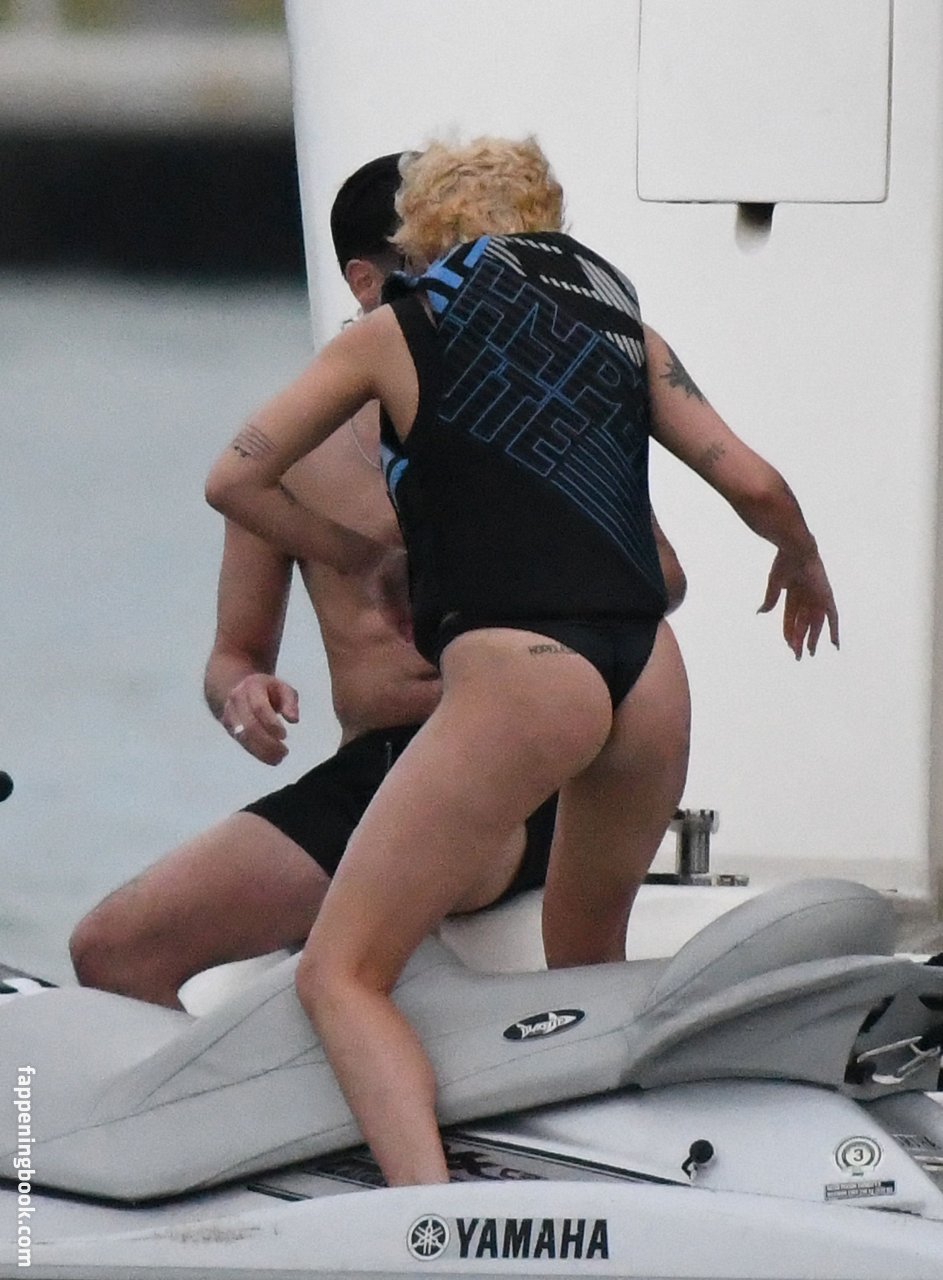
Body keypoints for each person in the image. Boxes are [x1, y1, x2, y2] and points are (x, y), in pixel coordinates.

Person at [205, 136, 838, 1186]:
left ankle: (433, 1221)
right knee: (587, 963)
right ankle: (641, 1184)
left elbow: (232, 478)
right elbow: (756, 483)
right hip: (649, 669)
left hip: (525, 673)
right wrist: (802, 560)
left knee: (341, 975)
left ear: (422, 234)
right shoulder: (621, 331)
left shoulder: (397, 330)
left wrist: (365, 558)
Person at [68, 150, 690, 1009]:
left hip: (528, 761)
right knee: (109, 949)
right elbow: (233, 654)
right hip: (391, 771)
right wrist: (242, 692)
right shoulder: (289, 455)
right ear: (368, 281)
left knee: (118, 948)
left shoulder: (529, 410)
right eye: (452, 261)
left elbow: (662, 575)